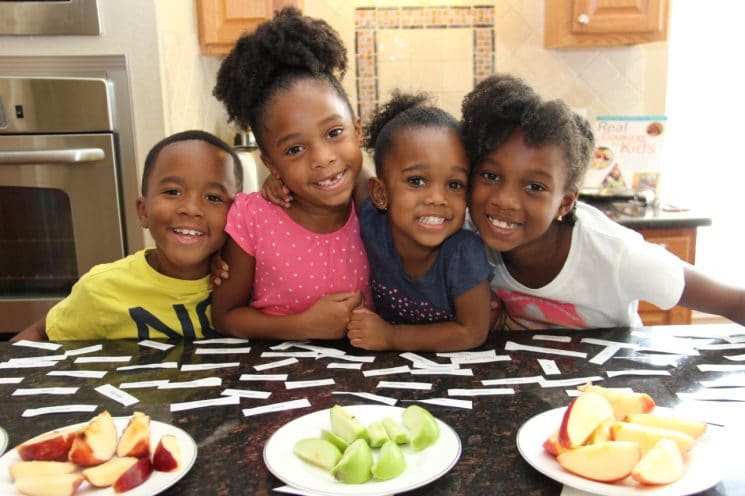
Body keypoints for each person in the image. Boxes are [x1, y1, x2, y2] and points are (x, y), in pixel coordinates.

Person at [461, 73, 745, 330]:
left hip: (610, 383)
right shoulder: (465, 234)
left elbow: (733, 302)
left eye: (535, 186)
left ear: (565, 202)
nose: (505, 200)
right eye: (490, 175)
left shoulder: (618, 256)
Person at [210, 7, 370, 341]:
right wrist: (302, 327)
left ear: (357, 131)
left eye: (333, 133)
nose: (323, 158)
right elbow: (225, 317)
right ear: (270, 163)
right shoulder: (252, 219)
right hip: (276, 385)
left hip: (371, 386)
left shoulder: (377, 207)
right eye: (294, 150)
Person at [11, 130, 243, 341]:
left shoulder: (249, 282)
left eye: (213, 197)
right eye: (173, 192)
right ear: (143, 211)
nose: (191, 209)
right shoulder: (102, 288)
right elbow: (40, 333)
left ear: (238, 216)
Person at [345, 91, 492, 351]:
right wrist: (280, 179)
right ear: (381, 193)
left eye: (455, 184)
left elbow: (473, 332)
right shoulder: (372, 221)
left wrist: (391, 337)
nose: (438, 198)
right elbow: (348, 168)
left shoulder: (463, 252)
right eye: (417, 181)